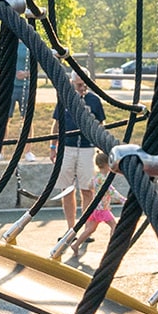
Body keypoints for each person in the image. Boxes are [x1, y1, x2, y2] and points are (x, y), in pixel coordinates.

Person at [51, 75, 109, 262]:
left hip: (86, 147)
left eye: (84, 84)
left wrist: (101, 144)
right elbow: (57, 123)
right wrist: (53, 147)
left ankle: (86, 227)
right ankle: (70, 228)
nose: (82, 88)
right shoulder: (64, 98)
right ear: (72, 84)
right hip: (67, 146)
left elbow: (101, 123)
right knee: (67, 188)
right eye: (78, 84)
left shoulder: (93, 100)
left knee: (87, 188)